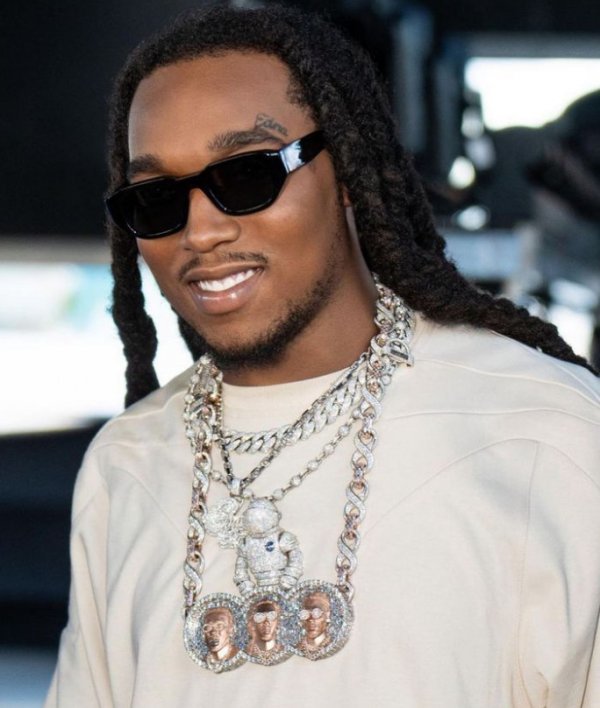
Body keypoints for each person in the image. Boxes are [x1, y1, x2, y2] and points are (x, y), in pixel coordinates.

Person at [46, 5, 599, 707]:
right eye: (156, 199)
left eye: (247, 175)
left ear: (346, 172)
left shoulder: (546, 434)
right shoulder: (127, 461)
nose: (201, 231)